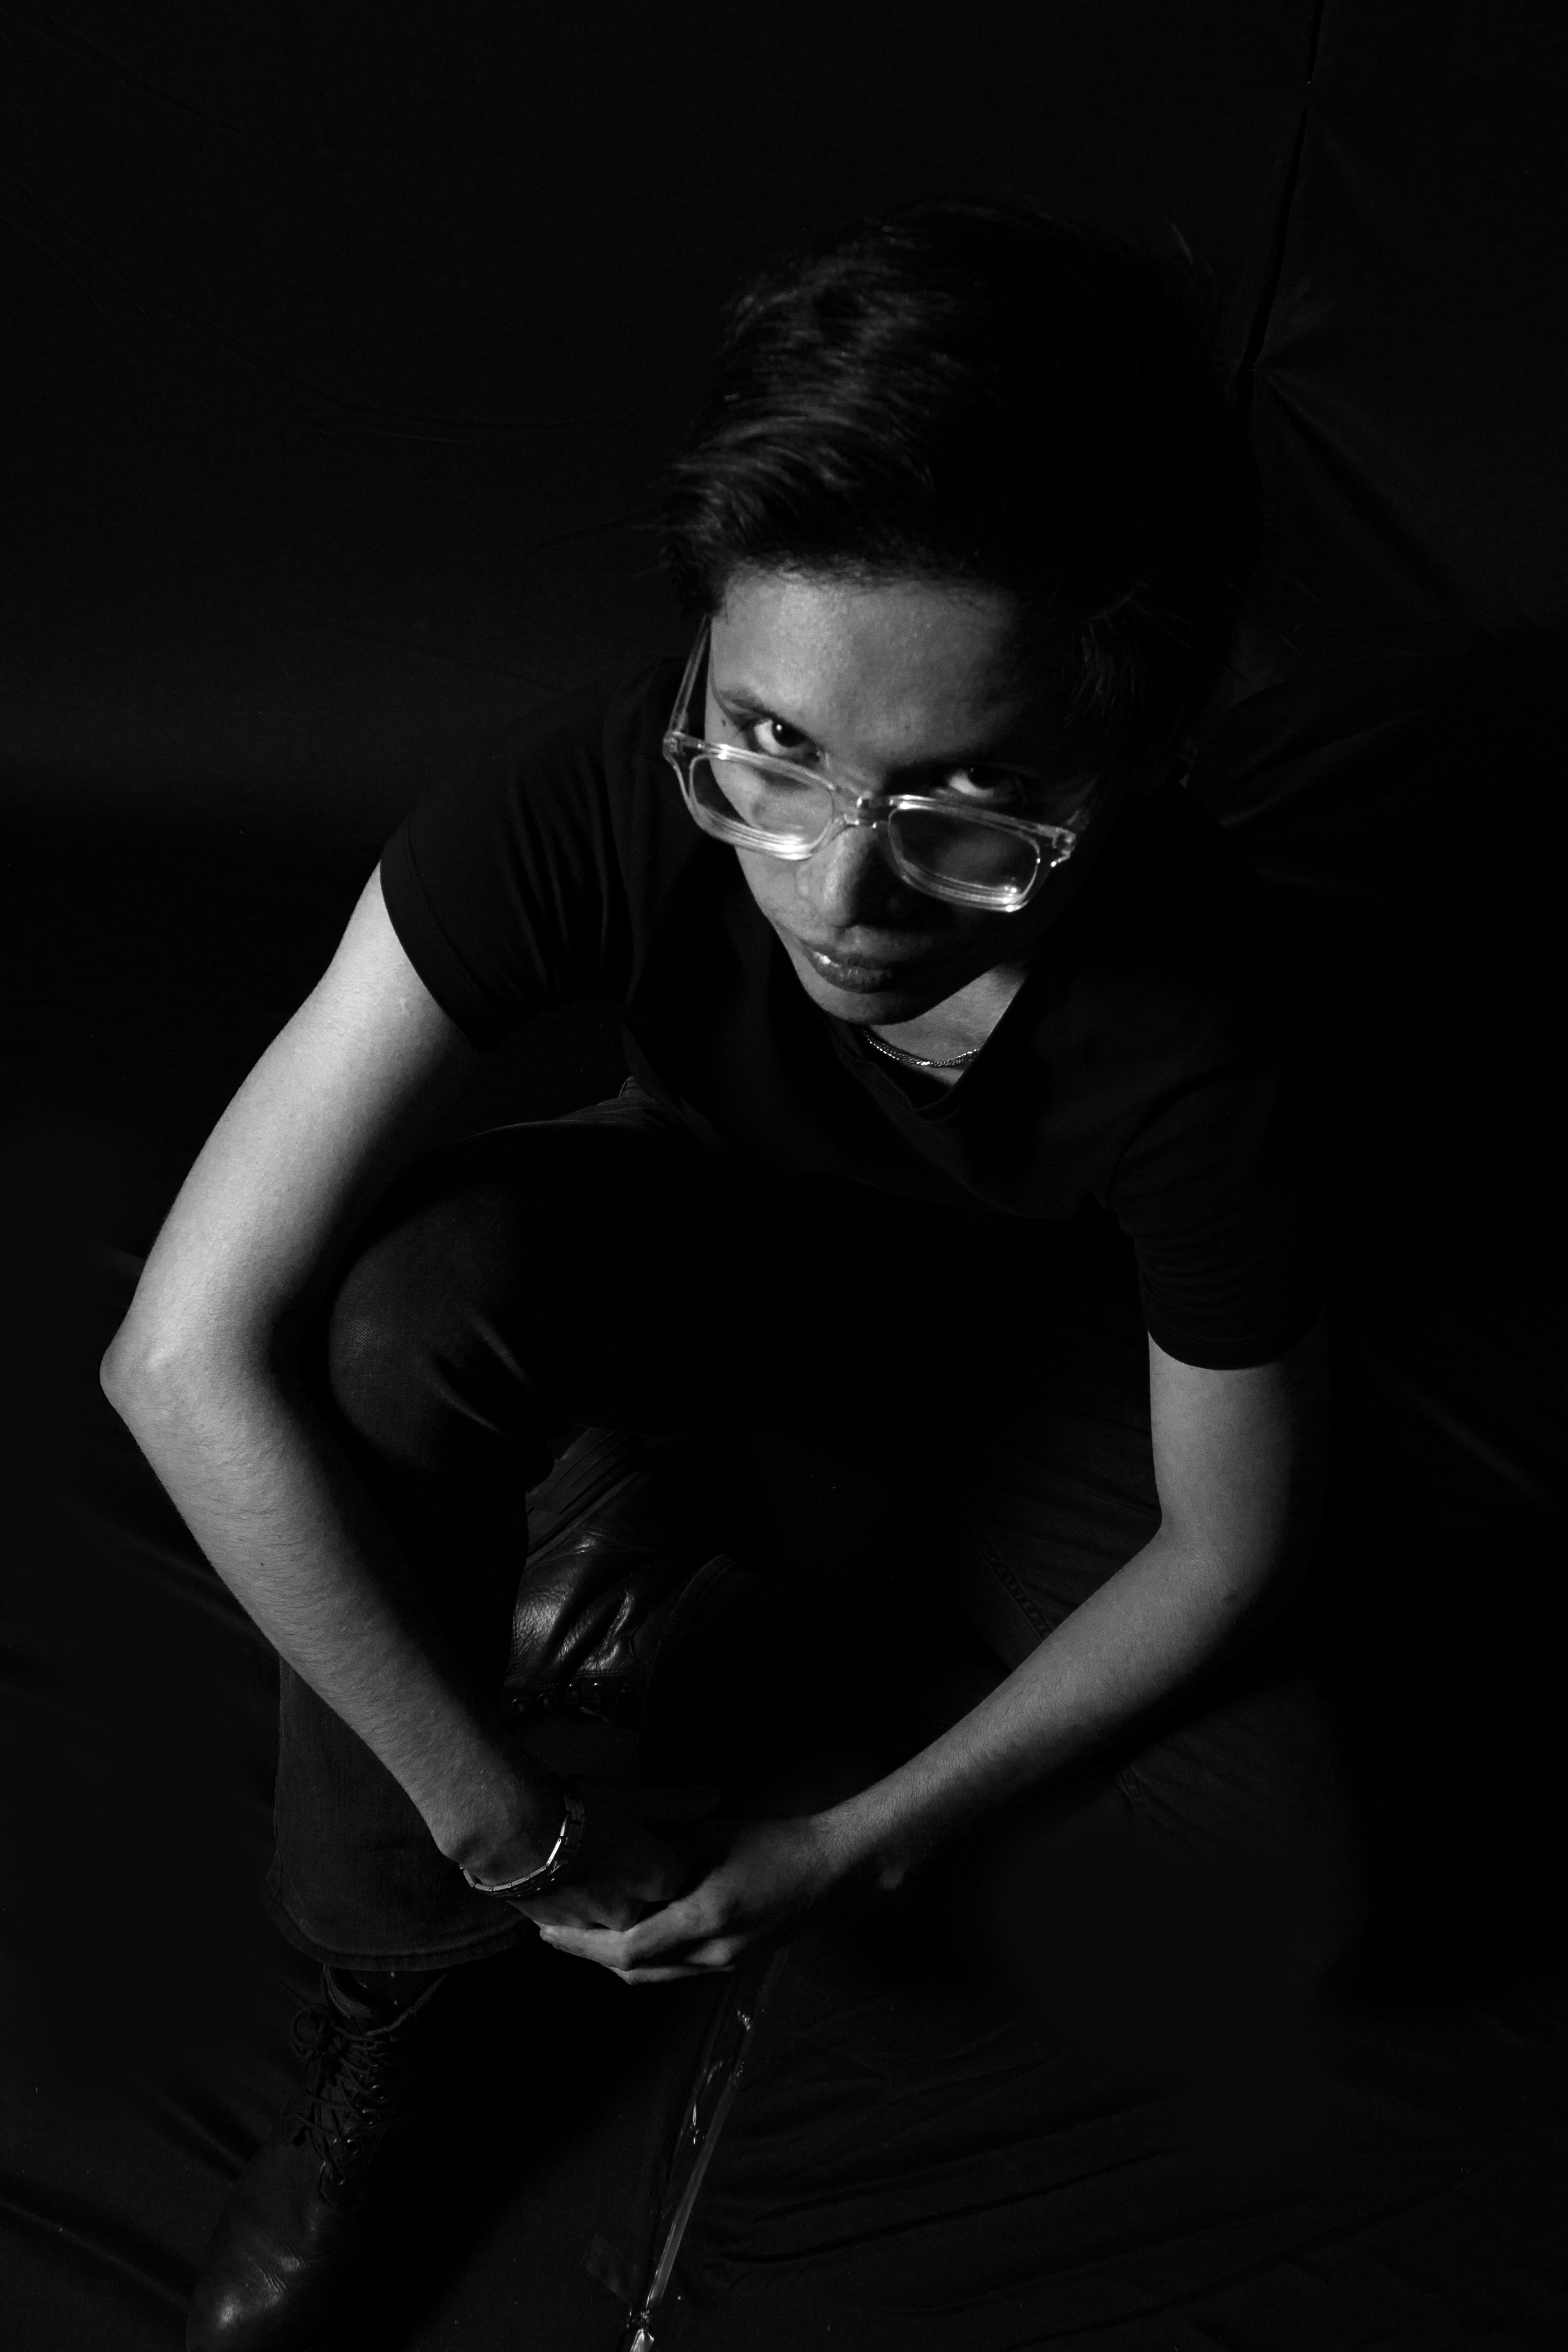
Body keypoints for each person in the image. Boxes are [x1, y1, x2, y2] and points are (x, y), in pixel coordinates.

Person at [102, 198, 1353, 2352]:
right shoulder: (591, 794)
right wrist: (499, 1835)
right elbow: (180, 1354)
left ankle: (685, 1577)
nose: (839, 889)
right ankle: (396, 2018)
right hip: (709, 1278)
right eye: (769, 746)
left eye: (969, 798)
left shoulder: (1207, 1031)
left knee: (1289, 1867)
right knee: (405, 1306)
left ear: (1122, 760)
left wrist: (860, 1842)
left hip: (1033, 1382)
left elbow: (1231, 1542)